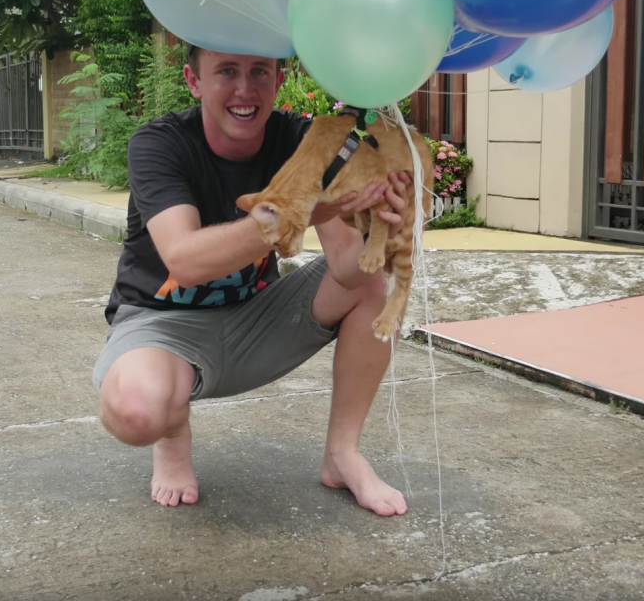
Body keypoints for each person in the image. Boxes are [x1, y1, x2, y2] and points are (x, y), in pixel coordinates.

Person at [92, 43, 414, 517]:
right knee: (135, 412)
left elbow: (348, 272)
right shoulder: (159, 143)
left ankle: (342, 455)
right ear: (194, 81)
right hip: (161, 328)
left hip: (256, 319)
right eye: (226, 71)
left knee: (375, 282)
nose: (245, 89)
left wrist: (382, 231)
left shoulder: (308, 142)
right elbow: (185, 261)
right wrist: (295, 212)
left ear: (279, 81)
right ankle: (173, 433)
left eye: (260, 72)